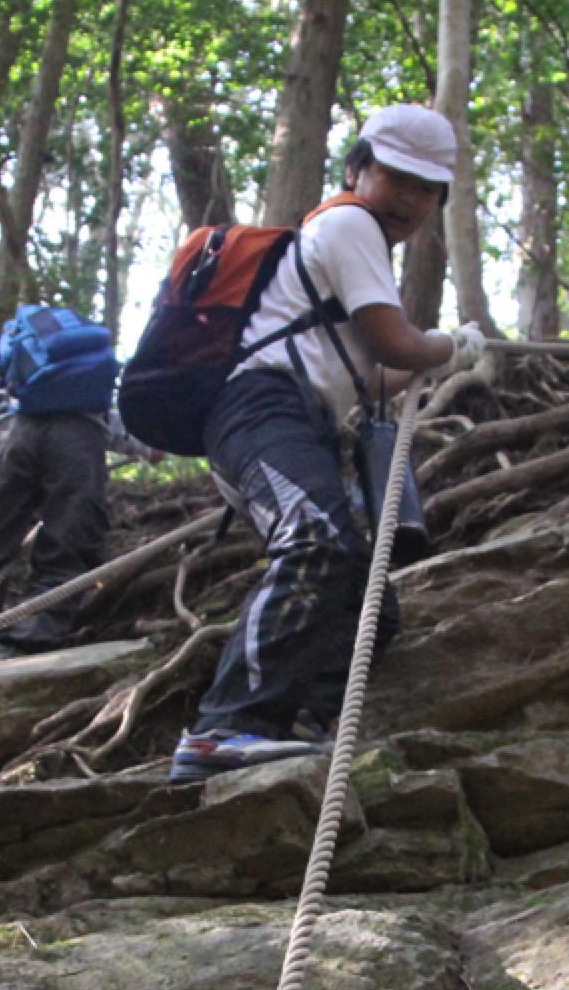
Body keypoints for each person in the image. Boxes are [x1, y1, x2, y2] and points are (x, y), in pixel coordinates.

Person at [168, 101, 486, 783]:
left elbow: (375, 373)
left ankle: (296, 723)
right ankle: (225, 726)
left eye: (426, 187)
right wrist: (450, 344)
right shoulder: (348, 222)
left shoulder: (350, 243)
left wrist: (444, 359)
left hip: (296, 421)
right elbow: (400, 343)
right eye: (394, 176)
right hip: (259, 408)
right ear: (357, 169)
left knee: (367, 605)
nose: (408, 198)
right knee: (315, 541)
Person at [0, 322, 155, 658]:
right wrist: (150, 444)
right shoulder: (70, 389)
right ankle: (22, 644)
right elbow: (111, 425)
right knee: (71, 548)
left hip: (10, 436)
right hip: (79, 439)